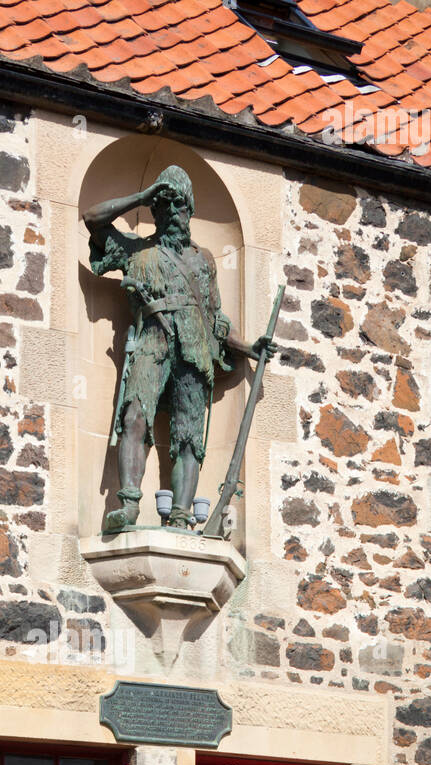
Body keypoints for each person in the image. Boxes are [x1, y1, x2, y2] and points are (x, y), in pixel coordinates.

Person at [84, 165, 271, 533]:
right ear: (155, 210)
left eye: (180, 205)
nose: (173, 213)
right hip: (152, 341)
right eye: (164, 206)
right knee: (134, 417)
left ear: (190, 210)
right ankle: (130, 505)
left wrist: (248, 346)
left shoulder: (203, 262)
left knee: (189, 435)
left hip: (194, 347)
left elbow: (215, 318)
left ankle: (182, 514)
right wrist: (142, 195)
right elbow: (92, 219)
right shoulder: (137, 251)